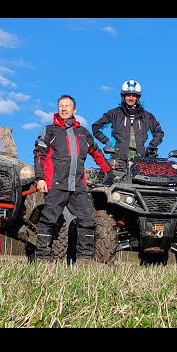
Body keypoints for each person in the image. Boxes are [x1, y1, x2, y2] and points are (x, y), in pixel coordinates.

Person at [33, 94, 113, 264]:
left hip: (78, 186)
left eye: (67, 106)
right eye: (61, 106)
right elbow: (39, 155)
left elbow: (97, 153)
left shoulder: (83, 133)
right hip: (55, 184)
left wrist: (110, 172)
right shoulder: (49, 131)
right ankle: (42, 258)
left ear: (74, 110)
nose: (63, 109)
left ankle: (84, 259)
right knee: (49, 219)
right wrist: (40, 178)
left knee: (88, 220)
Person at [92, 79, 164, 180]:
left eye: (134, 95)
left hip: (140, 162)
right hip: (118, 161)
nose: (131, 98)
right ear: (123, 96)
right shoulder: (114, 113)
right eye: (128, 95)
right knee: (113, 188)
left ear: (138, 97)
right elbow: (96, 127)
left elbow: (159, 133)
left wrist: (151, 147)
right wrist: (107, 142)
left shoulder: (147, 116)